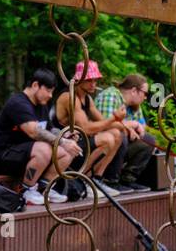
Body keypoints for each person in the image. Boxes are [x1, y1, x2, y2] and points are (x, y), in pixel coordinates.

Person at [0, 69, 79, 206]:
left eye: (52, 91)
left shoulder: (41, 105)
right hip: (3, 156)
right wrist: (63, 141)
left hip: (27, 155)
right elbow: (34, 132)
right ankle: (26, 190)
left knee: (68, 152)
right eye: (48, 90)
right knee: (45, 148)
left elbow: (48, 129)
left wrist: (64, 134)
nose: (50, 95)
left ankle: (45, 188)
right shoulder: (18, 103)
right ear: (36, 85)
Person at [51, 59, 127, 195]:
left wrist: (125, 126)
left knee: (116, 134)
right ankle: (84, 179)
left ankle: (96, 179)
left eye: (95, 80)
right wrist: (114, 118)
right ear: (79, 80)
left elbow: (104, 122)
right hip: (65, 145)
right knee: (107, 139)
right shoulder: (70, 97)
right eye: (89, 80)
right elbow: (85, 129)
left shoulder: (87, 98)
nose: (94, 84)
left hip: (80, 142)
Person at [94, 73, 156, 191]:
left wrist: (135, 127)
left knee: (148, 140)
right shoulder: (110, 96)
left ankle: (128, 179)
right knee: (119, 135)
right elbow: (105, 125)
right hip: (100, 142)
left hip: (120, 143)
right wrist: (129, 126)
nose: (145, 98)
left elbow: (142, 128)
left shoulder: (134, 106)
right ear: (133, 90)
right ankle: (109, 179)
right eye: (145, 93)